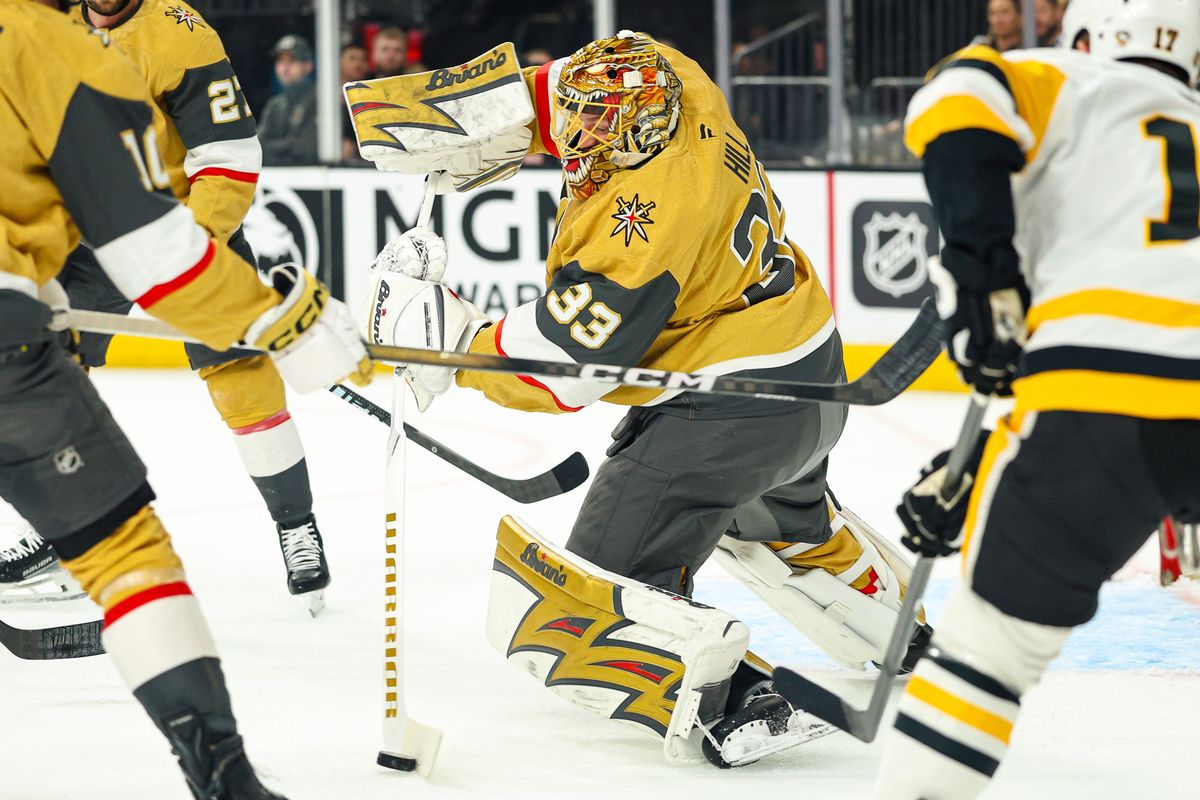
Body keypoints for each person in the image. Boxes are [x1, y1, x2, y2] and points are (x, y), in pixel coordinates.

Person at [360, 31, 931, 763]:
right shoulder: (675, 77)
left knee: (573, 605)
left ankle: (739, 701)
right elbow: (567, 84)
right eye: (582, 116)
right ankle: (892, 622)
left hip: (732, 409)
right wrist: (437, 114)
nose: (583, 134)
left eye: (604, 126)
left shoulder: (650, 226)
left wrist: (445, 341)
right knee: (778, 516)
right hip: (810, 374)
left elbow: (566, 372)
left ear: (645, 129)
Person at [0, 1, 371, 796]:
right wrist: (268, 313)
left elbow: (229, 156)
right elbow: (125, 229)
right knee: (55, 388)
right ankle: (73, 541)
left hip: (159, 220)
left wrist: (198, 252)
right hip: (106, 230)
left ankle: (294, 525)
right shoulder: (55, 39)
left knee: (234, 371)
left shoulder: (178, 29)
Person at [877, 0, 1200, 797]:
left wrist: (985, 268)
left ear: (1089, 35)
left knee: (986, 658)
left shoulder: (1064, 78)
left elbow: (954, 100)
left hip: (1101, 398)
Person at [259, 35, 318, 166]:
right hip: (281, 178)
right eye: (280, 61)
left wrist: (276, 147)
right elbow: (258, 148)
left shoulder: (319, 99)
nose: (285, 68)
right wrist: (290, 144)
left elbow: (307, 150)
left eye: (292, 61)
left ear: (308, 66)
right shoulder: (275, 105)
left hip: (314, 179)